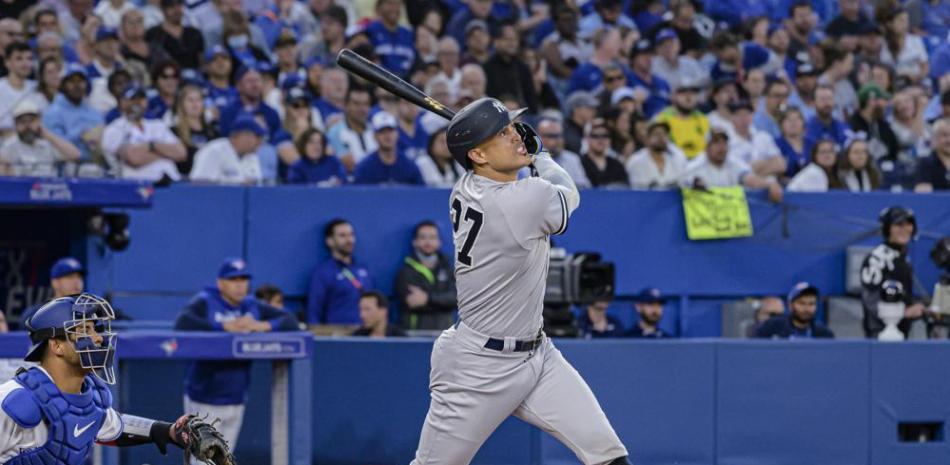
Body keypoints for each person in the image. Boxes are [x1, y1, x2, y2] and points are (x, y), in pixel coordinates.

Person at [409, 97, 630, 465]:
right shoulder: (523, 199)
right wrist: (541, 155)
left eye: (512, 127)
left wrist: (494, 138)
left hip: (538, 355)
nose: (516, 137)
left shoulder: (467, 185)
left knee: (608, 454)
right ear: (478, 156)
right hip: (477, 367)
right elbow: (568, 194)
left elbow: (497, 168)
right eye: (502, 133)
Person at [1, 293, 233, 465]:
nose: (97, 339)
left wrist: (170, 432)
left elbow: (115, 427)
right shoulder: (13, 401)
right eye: (84, 331)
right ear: (57, 345)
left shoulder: (88, 399)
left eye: (95, 330)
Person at [174, 258, 298, 451]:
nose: (240, 285)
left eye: (244, 279)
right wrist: (223, 326)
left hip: (236, 396)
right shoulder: (206, 301)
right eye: (233, 280)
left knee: (224, 458)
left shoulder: (251, 305)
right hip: (205, 394)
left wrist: (262, 326)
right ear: (220, 282)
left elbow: (290, 321)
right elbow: (182, 322)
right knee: (202, 459)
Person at [859, 206, 925, 338]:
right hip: (881, 334)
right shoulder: (877, 258)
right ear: (887, 228)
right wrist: (904, 312)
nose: (905, 229)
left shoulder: (900, 257)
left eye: (908, 224)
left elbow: (901, 295)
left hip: (902, 332)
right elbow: (871, 300)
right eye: (898, 224)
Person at [101, 85, 186, 181]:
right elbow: (134, 158)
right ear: (122, 102)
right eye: (133, 99)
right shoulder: (115, 129)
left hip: (171, 181)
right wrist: (165, 153)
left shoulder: (157, 125)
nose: (138, 103)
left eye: (141, 99)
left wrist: (151, 146)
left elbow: (181, 153)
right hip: (136, 185)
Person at [681, 128, 785, 203]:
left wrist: (770, 184)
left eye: (724, 143)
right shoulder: (696, 166)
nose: (721, 147)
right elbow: (682, 185)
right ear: (707, 147)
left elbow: (750, 179)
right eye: (716, 143)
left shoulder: (733, 162)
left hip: (728, 220)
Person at [307, 219, 374, 325]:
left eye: (351, 235)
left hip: (364, 333)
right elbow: (314, 310)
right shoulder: (323, 272)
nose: (349, 240)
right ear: (329, 241)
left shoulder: (363, 270)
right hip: (337, 335)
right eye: (342, 236)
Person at [395, 221, 457, 331]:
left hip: (445, 335)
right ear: (415, 242)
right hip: (414, 335)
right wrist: (443, 301)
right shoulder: (405, 271)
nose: (428, 242)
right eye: (423, 237)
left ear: (439, 242)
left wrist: (427, 299)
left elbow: (457, 299)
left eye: (432, 237)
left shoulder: (449, 268)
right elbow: (412, 302)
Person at [0, 100, 80, 176]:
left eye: (31, 121)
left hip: (48, 187)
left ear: (39, 121)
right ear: (15, 125)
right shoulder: (9, 146)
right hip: (21, 188)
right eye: (22, 122)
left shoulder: (48, 144)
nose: (27, 126)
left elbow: (75, 155)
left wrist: (46, 133)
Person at [353, 111, 425, 185]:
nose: (387, 136)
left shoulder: (409, 166)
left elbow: (421, 192)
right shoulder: (365, 168)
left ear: (397, 133)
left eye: (390, 130)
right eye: (382, 131)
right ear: (374, 136)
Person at [190, 116, 265, 185]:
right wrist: (237, 184)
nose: (259, 142)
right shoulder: (214, 151)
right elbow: (200, 184)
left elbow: (256, 184)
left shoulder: (252, 156)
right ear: (242, 136)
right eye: (256, 137)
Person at [756, 282, 835, 338]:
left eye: (811, 304)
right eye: (802, 303)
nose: (806, 308)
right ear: (790, 305)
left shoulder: (824, 334)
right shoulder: (771, 327)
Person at [626, 120, 687, 189]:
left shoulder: (676, 159)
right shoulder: (636, 161)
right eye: (656, 134)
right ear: (647, 139)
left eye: (664, 134)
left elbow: (683, 185)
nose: (661, 137)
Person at [0, 42, 41, 137]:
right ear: (7, 63)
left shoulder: (36, 88)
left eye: (29, 59)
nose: (26, 63)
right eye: (19, 59)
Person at [538, 118, 591, 188]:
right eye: (551, 136)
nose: (557, 140)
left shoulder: (572, 159)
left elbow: (585, 187)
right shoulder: (527, 161)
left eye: (559, 136)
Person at [581, 118, 629, 188]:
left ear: (609, 140)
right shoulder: (579, 162)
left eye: (605, 136)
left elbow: (624, 187)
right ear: (587, 139)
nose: (600, 140)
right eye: (595, 136)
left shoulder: (617, 164)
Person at [914, 118, 950, 192]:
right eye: (944, 135)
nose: (948, 140)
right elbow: (924, 196)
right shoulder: (925, 163)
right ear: (935, 138)